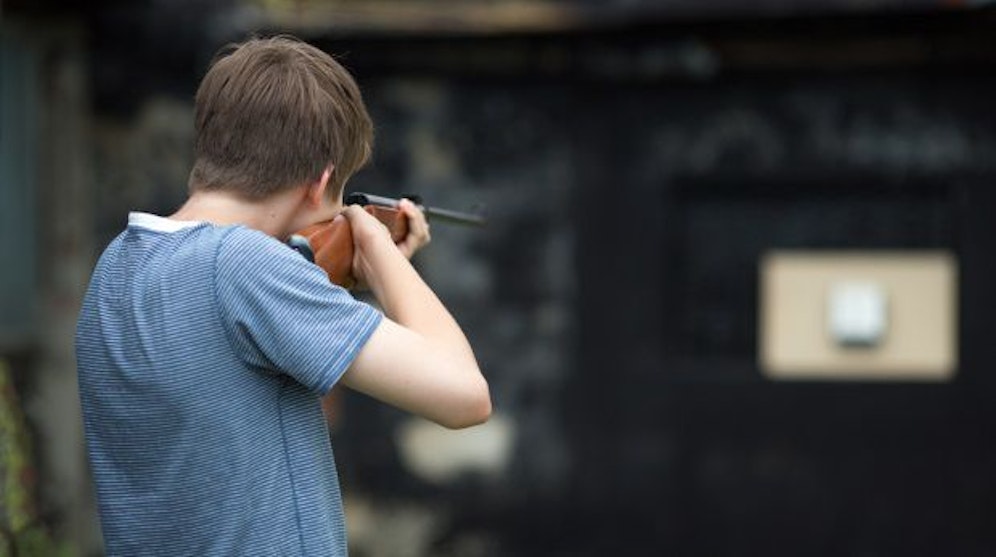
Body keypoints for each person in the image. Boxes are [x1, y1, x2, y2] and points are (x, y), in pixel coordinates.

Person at [75, 36, 490, 556]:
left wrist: (339, 270)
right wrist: (382, 255)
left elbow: (218, 349)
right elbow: (465, 396)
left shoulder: (118, 266)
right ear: (319, 183)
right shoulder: (245, 266)